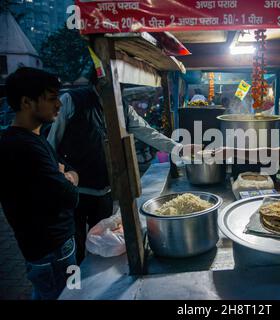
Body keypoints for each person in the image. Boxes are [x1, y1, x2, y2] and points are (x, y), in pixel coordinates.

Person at [47, 69, 191, 264]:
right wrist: (57, 176)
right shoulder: (72, 100)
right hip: (75, 191)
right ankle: (75, 283)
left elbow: (147, 132)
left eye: (120, 84)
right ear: (99, 81)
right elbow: (51, 143)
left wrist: (178, 148)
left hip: (105, 189)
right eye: (113, 82)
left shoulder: (122, 107)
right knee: (77, 242)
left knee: (101, 238)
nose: (118, 88)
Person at [0, 67, 79, 299]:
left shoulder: (36, 138)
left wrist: (66, 174)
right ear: (27, 102)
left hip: (51, 248)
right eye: (52, 98)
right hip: (51, 251)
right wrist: (66, 177)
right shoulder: (23, 147)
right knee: (64, 296)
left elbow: (69, 170)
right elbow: (69, 196)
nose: (59, 105)